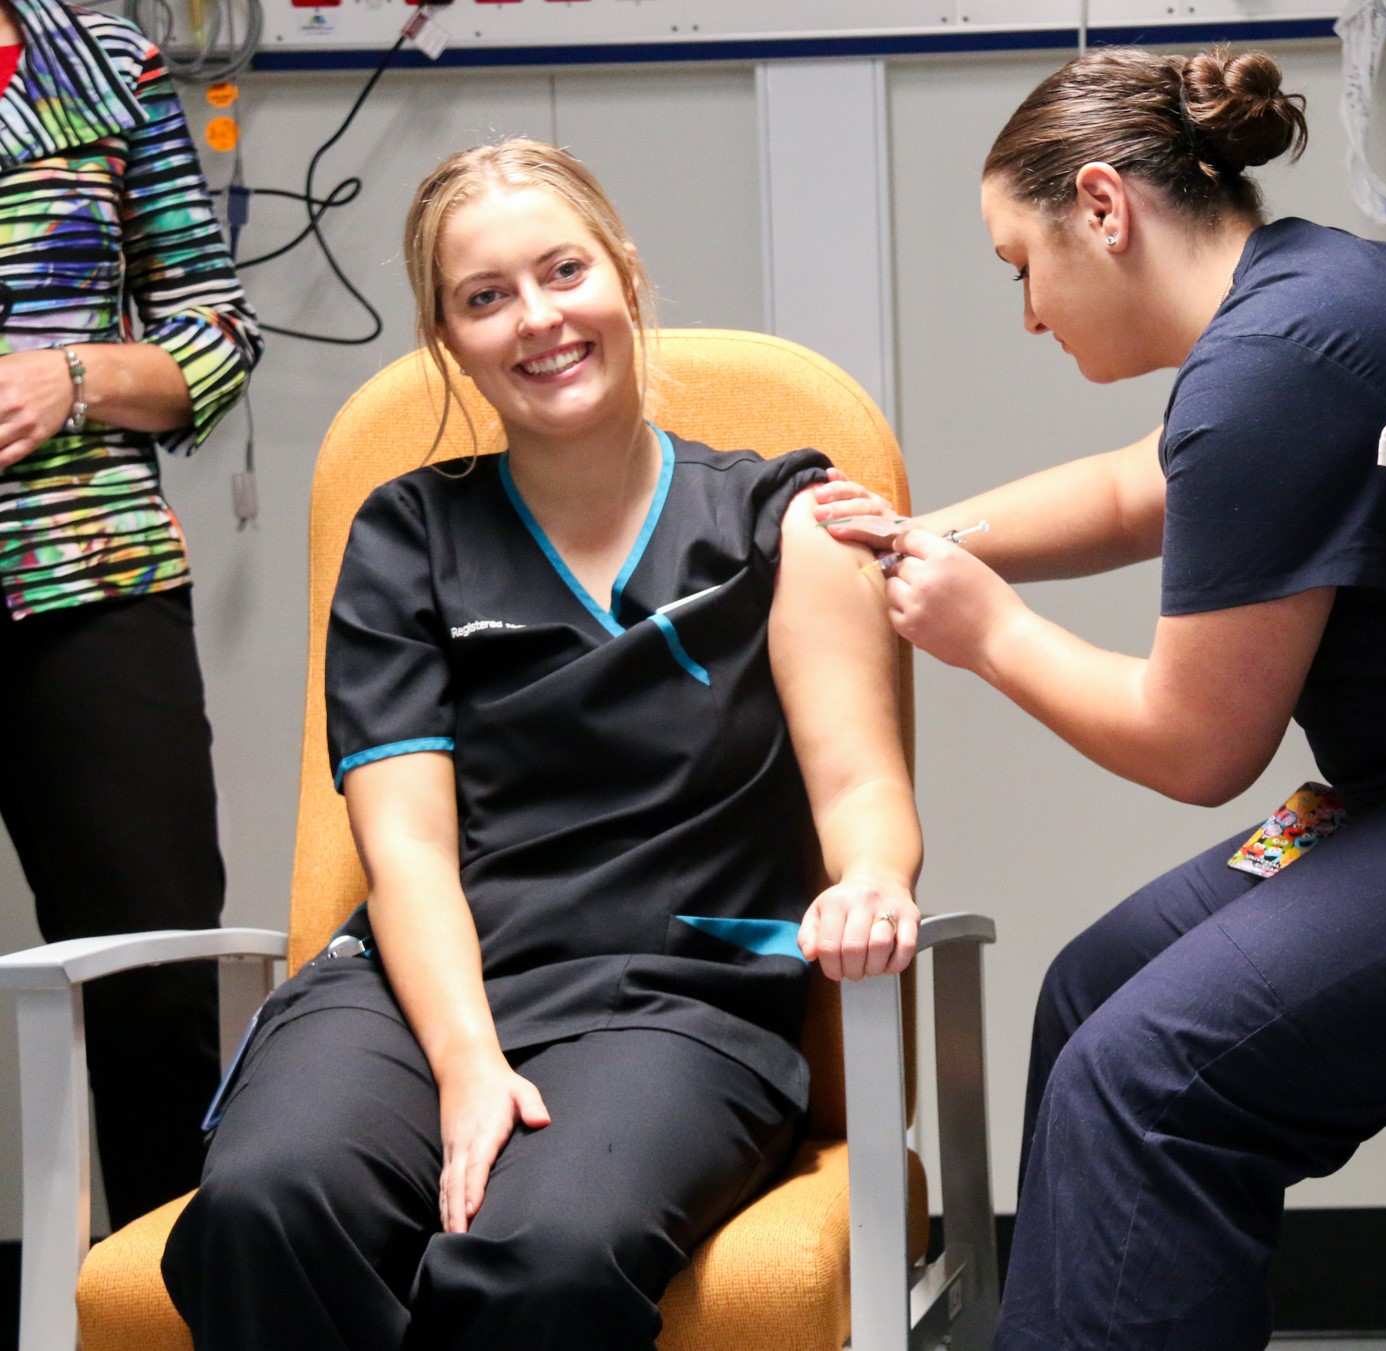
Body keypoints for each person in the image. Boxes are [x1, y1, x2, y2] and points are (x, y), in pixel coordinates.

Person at [816, 46, 1386, 1350]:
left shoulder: (1279, 358)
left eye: (1021, 266)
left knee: (1145, 1078)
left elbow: (1196, 746)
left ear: (1102, 207)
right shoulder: (1308, 301)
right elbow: (1136, 487)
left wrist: (987, 632)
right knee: (1091, 987)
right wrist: (914, 536)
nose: (1031, 314)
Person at [159, 139, 919, 1349]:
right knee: (267, 1205)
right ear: (447, 340)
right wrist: (466, 1062)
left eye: (563, 271)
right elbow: (405, 851)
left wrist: (872, 878)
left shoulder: (781, 520)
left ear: (624, 275)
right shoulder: (407, 537)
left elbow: (859, 781)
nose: (537, 318)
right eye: (485, 297)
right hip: (415, 990)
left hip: (671, 1000)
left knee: (541, 1255)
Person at [0, 0, 261, 1226]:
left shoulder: (105, 64)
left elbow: (218, 329)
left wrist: (74, 376)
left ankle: (169, 1294)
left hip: (91, 579)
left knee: (155, 990)